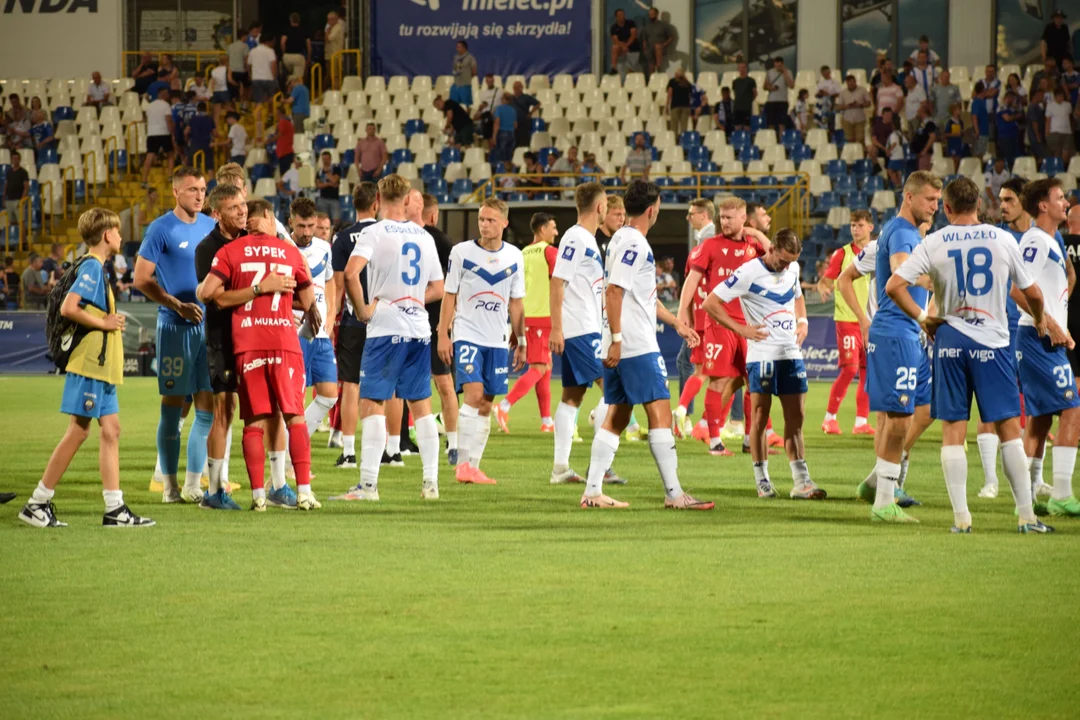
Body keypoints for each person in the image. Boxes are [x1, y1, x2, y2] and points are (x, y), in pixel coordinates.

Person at [884, 178, 1051, 533]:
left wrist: (922, 318)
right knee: (1009, 428)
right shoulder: (1002, 238)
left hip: (949, 341)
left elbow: (893, 286)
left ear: (945, 207)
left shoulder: (934, 241)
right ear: (979, 203)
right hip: (992, 342)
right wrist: (1039, 320)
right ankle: (1026, 516)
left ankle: (961, 520)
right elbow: (1033, 294)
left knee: (952, 431)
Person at [18, 208, 154, 528]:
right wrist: (104, 322)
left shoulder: (92, 266)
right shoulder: (92, 267)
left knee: (112, 430)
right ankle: (38, 502)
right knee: (79, 431)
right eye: (118, 232)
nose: (121, 237)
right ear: (107, 235)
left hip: (100, 367)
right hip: (91, 363)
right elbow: (69, 307)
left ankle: (114, 509)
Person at [584, 180, 708, 509]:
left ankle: (593, 491)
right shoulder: (634, 243)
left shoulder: (621, 240)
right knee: (661, 416)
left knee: (618, 417)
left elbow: (640, 297)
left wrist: (677, 322)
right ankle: (675, 495)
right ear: (652, 210)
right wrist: (618, 341)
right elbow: (614, 292)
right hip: (634, 344)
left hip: (621, 342)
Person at [197, 198, 321, 511]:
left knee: (252, 420)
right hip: (284, 340)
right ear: (268, 215)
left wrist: (254, 291)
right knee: (294, 414)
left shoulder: (229, 251)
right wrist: (294, 298)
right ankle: (303, 491)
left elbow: (208, 294)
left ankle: (258, 496)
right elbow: (307, 298)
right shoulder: (289, 251)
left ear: (246, 219)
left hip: (247, 342)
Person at [332, 175, 444, 501]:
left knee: (373, 403)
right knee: (421, 405)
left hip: (386, 328)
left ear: (377, 199)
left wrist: (363, 309)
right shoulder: (423, 237)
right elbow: (438, 287)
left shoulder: (374, 231)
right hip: (419, 329)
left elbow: (351, 273)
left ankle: (368, 486)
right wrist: (412, 299)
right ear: (408, 199)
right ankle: (431, 483)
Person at [705, 228, 823, 499]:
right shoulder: (748, 272)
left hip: (791, 353)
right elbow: (711, 302)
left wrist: (802, 321)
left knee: (797, 418)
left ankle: (802, 482)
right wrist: (741, 329)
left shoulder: (791, 269)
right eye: (782, 261)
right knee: (759, 417)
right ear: (770, 250)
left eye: (790, 261)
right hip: (762, 356)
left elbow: (797, 296)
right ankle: (763, 480)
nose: (785, 267)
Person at [860, 171, 942, 523]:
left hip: (905, 333)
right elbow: (899, 276)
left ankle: (877, 483)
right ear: (909, 197)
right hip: (897, 332)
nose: (935, 207)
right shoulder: (903, 233)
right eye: (929, 200)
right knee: (898, 420)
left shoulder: (904, 231)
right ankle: (883, 501)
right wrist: (928, 306)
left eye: (938, 201)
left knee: (913, 413)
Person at [134, 166, 217, 504]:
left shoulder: (212, 227)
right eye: (193, 189)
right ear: (176, 192)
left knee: (207, 409)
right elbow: (141, 278)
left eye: (203, 189)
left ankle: (194, 484)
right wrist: (175, 304)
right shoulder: (161, 229)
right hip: (174, 326)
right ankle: (169, 487)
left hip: (209, 328)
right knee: (172, 407)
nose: (200, 195)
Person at [675, 197, 774, 457]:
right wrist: (682, 312)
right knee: (717, 381)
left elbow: (775, 254)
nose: (725, 221)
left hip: (749, 326)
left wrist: (754, 233)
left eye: (731, 217)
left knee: (753, 383)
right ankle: (715, 441)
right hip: (719, 324)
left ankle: (750, 440)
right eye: (722, 216)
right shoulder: (710, 246)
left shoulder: (753, 245)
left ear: (744, 218)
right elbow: (691, 280)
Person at [435, 199, 525, 485]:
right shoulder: (461, 252)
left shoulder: (514, 256)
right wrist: (443, 333)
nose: (485, 225)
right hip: (468, 334)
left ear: (504, 223)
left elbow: (517, 302)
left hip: (497, 340)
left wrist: (520, 338)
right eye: (482, 219)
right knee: (473, 396)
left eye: (491, 220)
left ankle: (473, 467)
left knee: (486, 404)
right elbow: (450, 294)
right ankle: (462, 464)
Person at [1010, 179, 1080, 518]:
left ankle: (1033, 490)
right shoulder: (1036, 240)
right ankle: (1062, 493)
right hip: (1037, 339)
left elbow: (1057, 280)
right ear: (1043, 205)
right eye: (1060, 198)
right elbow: (1016, 289)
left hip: (1042, 339)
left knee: (1038, 419)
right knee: (1073, 410)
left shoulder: (1052, 239)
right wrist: (1049, 323)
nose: (1065, 203)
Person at [191, 182, 251, 509]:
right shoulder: (207, 248)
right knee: (224, 408)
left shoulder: (252, 240)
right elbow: (214, 298)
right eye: (233, 208)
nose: (242, 211)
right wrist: (256, 290)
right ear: (217, 213)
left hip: (255, 335)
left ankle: (271, 484)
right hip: (222, 337)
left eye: (243, 205)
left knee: (260, 411)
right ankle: (214, 490)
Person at [328, 182, 378, 469]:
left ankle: (348, 452)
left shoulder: (344, 238)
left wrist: (334, 319)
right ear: (377, 203)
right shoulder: (386, 234)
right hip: (383, 320)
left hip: (352, 320)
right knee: (386, 387)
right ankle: (389, 450)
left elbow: (338, 285)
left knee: (350, 385)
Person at [817, 210, 874, 435]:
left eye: (859, 225)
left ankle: (861, 422)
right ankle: (829, 418)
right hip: (847, 320)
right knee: (849, 369)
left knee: (868, 372)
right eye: (852, 225)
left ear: (870, 227)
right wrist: (823, 287)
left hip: (870, 322)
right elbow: (825, 280)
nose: (855, 229)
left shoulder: (876, 252)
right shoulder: (842, 254)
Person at [287, 197, 339, 444]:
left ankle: (294, 446)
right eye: (301, 227)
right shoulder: (283, 249)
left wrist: (330, 314)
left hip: (320, 334)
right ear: (291, 223)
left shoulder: (324, 248)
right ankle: (287, 458)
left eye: (310, 226)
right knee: (295, 398)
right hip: (296, 333)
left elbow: (330, 281)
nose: (306, 232)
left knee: (329, 394)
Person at [420, 193, 460, 464]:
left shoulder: (408, 237)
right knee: (445, 384)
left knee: (404, 386)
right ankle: (453, 444)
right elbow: (454, 285)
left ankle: (396, 444)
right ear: (434, 215)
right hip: (437, 324)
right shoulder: (445, 241)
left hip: (418, 321)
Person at [141, 87, 173, 186]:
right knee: (170, 154)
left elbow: (146, 119)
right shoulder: (166, 105)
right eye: (166, 93)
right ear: (163, 94)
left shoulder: (150, 106)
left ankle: (144, 180)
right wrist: (172, 133)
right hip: (164, 133)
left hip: (152, 133)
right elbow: (168, 120)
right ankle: (170, 176)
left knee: (150, 156)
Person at [836, 74, 871, 144]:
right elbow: (838, 107)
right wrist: (847, 106)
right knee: (849, 141)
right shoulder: (843, 93)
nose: (851, 85)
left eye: (852, 83)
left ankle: (860, 154)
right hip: (847, 119)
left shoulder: (862, 90)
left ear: (855, 82)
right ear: (846, 83)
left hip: (860, 119)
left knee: (860, 140)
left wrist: (860, 105)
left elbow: (869, 103)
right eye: (849, 84)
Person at [763, 57, 794, 131]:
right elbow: (764, 86)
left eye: (779, 66)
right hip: (771, 101)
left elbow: (791, 86)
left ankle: (781, 140)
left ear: (782, 64)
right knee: (771, 124)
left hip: (783, 101)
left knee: (781, 124)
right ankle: (771, 140)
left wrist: (784, 73)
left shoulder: (788, 72)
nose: (778, 67)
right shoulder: (769, 72)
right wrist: (771, 88)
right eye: (776, 65)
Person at [1045, 88, 1074, 166]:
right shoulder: (1050, 105)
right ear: (1055, 97)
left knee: (1066, 152)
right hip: (1055, 132)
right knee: (1057, 152)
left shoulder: (1068, 105)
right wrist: (1047, 131)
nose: (1060, 97)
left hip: (1067, 132)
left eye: (1062, 96)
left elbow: (1070, 117)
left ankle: (1062, 167)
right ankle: (1057, 167)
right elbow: (1048, 120)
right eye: (1058, 96)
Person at [641, 7, 674, 75]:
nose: (651, 16)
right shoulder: (647, 26)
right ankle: (652, 80)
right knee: (651, 68)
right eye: (650, 14)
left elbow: (671, 37)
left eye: (652, 14)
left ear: (657, 14)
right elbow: (644, 39)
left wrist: (664, 44)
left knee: (657, 46)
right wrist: (644, 49)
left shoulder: (664, 25)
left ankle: (658, 67)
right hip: (650, 50)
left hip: (661, 48)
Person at [248, 34, 278, 107]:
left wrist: (251, 76)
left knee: (258, 101)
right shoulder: (270, 51)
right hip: (268, 78)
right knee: (271, 98)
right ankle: (270, 116)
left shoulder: (252, 51)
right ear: (269, 42)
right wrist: (274, 78)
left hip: (256, 78)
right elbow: (273, 65)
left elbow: (248, 65)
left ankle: (258, 118)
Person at [610, 9, 641, 79]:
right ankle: (613, 68)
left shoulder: (631, 23)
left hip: (632, 49)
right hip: (621, 50)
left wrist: (626, 45)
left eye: (623, 14)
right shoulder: (613, 27)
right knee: (614, 47)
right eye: (620, 15)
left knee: (631, 71)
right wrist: (623, 46)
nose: (622, 16)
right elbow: (615, 40)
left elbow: (633, 36)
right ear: (616, 17)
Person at [184, 102, 214, 169]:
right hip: (206, 144)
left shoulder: (193, 119)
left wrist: (186, 140)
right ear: (206, 109)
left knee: (189, 164)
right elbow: (215, 133)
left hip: (195, 144)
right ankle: (211, 177)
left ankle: (185, 174)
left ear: (197, 109)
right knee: (209, 166)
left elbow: (186, 132)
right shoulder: (209, 119)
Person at [511, 82, 540, 149]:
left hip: (524, 123)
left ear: (521, 88)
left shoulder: (526, 97)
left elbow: (538, 104)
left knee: (524, 142)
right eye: (515, 87)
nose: (516, 89)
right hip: (513, 124)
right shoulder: (511, 99)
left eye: (517, 87)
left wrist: (531, 113)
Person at [996, 91, 1023, 165]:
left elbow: (1020, 113)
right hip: (1005, 136)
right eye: (1011, 98)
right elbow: (1007, 118)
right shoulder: (1001, 107)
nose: (1012, 100)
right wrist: (1016, 116)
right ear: (1006, 98)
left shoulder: (1012, 109)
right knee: (1008, 158)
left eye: (1013, 99)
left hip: (1014, 135)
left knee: (1016, 158)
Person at [281, 12, 308, 83]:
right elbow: (309, 45)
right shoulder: (304, 30)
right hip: (298, 56)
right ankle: (296, 91)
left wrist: (283, 53)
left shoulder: (286, 30)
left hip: (287, 56)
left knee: (289, 74)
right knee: (298, 78)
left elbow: (282, 42)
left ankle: (288, 87)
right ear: (299, 20)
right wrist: (308, 57)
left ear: (290, 20)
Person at [315, 151, 341, 224]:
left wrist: (327, 173)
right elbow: (318, 185)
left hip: (334, 199)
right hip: (322, 199)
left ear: (330, 159)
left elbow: (335, 180)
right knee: (323, 221)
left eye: (327, 159)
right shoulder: (319, 172)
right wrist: (330, 184)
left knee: (336, 221)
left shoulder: (336, 169)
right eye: (324, 159)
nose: (325, 161)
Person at [667, 69, 693, 135]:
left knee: (674, 126)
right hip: (685, 106)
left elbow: (670, 94)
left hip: (675, 106)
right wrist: (689, 107)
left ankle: (674, 141)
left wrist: (667, 105)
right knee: (684, 127)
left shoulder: (672, 81)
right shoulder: (687, 83)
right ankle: (683, 140)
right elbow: (690, 96)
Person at [450, 41, 477, 108]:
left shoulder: (470, 57)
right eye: (457, 47)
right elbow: (454, 68)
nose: (457, 48)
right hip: (456, 85)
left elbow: (474, 71)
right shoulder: (456, 57)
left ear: (464, 47)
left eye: (459, 47)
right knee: (453, 105)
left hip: (465, 85)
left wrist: (467, 77)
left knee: (466, 105)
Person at [227, 31, 250, 103]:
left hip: (232, 71)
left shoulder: (230, 46)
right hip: (242, 70)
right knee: (247, 87)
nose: (247, 38)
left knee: (234, 88)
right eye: (247, 36)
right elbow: (246, 60)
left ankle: (235, 104)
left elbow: (228, 58)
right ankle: (244, 104)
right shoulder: (245, 46)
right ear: (243, 36)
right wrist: (248, 71)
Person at [731, 62, 756, 131]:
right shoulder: (735, 81)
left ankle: (747, 140)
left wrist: (748, 100)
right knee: (737, 126)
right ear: (738, 69)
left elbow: (755, 93)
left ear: (746, 69)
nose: (742, 69)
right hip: (737, 107)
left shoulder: (751, 81)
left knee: (747, 126)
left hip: (747, 108)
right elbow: (735, 93)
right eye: (740, 67)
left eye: (743, 67)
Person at [814, 66, 841, 130]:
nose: (825, 74)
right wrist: (820, 93)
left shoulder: (835, 82)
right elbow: (816, 94)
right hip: (823, 107)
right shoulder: (820, 83)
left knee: (832, 123)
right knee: (824, 123)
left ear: (829, 72)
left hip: (832, 105)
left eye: (826, 72)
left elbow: (839, 93)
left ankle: (831, 136)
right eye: (823, 73)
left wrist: (829, 94)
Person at [324, 11, 344, 88]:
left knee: (335, 75)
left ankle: (336, 91)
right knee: (329, 74)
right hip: (329, 55)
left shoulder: (337, 27)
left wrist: (327, 32)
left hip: (336, 56)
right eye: (328, 19)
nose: (328, 21)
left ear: (336, 19)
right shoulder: (330, 27)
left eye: (330, 19)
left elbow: (329, 38)